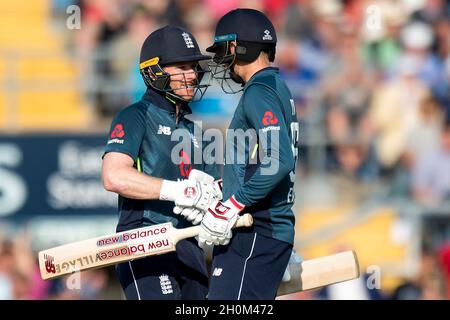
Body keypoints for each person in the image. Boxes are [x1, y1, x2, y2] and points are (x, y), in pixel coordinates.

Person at [101, 25, 222, 300]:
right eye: (181, 67)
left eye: (193, 67)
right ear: (154, 71)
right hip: (145, 240)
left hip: (189, 246)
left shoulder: (200, 133)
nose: (191, 75)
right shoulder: (134, 116)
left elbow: (217, 191)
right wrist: (180, 191)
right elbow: (114, 176)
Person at [195, 8, 299, 300]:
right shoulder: (275, 85)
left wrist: (233, 203)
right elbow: (258, 159)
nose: (221, 59)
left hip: (256, 230)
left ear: (238, 46)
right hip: (263, 230)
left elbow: (278, 160)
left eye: (224, 48)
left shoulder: (259, 92)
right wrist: (224, 188)